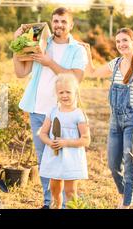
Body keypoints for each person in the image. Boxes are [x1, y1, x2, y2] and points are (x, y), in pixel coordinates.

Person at [13, 7, 87, 209]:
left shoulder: (77, 49)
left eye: (63, 21)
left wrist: (49, 62)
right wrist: (16, 45)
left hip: (63, 112)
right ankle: (49, 204)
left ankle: (65, 206)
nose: (59, 25)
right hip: (37, 110)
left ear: (70, 25)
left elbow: (75, 78)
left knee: (63, 158)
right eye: (55, 21)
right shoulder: (40, 43)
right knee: (44, 160)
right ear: (51, 23)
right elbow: (21, 72)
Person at [81, 28, 133, 209]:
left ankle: (126, 203)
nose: (121, 44)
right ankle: (127, 191)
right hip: (114, 121)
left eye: (125, 40)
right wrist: (87, 53)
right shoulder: (115, 64)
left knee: (130, 164)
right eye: (118, 41)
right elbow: (92, 72)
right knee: (113, 164)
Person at [38, 74, 90, 209]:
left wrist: (66, 143)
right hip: (54, 156)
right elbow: (43, 133)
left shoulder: (78, 114)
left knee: (70, 190)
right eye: (61, 92)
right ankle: (57, 205)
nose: (65, 95)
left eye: (68, 92)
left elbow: (86, 139)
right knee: (55, 188)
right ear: (56, 93)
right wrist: (50, 142)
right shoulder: (53, 112)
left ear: (75, 92)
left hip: (71, 158)